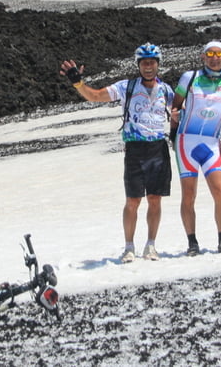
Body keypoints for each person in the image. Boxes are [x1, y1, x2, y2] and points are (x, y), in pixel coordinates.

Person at [60, 43, 174, 263]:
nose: (148, 67)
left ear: (158, 64)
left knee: (155, 199)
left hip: (158, 148)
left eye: (152, 62)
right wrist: (77, 82)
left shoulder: (166, 90)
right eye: (144, 63)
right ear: (138, 65)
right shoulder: (126, 87)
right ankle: (129, 247)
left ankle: (151, 245)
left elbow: (184, 106)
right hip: (135, 149)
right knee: (133, 200)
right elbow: (94, 96)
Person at [170, 40, 221, 256]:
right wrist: (173, 124)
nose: (215, 57)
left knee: (220, 191)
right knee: (189, 195)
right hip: (186, 142)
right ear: (203, 56)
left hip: (212, 143)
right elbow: (175, 104)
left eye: (219, 54)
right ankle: (192, 243)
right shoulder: (189, 78)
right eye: (210, 53)